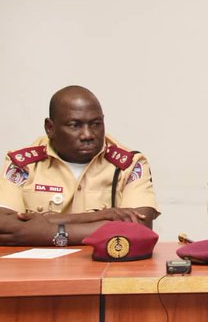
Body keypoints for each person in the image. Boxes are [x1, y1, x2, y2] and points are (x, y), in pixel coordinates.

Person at [0, 86, 160, 246]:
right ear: (50, 128)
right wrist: (100, 216)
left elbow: (140, 229)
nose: (88, 135)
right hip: (33, 269)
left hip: (102, 267)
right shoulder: (22, 164)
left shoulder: (129, 165)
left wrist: (48, 230)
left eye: (96, 124)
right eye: (74, 125)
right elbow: (3, 225)